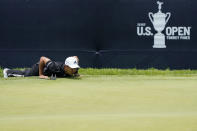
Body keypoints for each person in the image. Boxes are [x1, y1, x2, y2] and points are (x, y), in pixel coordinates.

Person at [3, 56, 80, 79]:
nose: (74, 70)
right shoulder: (54, 67)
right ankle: (7, 72)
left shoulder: (70, 69)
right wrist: (41, 74)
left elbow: (76, 57)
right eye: (72, 68)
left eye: (75, 68)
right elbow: (42, 58)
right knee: (25, 74)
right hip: (40, 67)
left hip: (47, 70)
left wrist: (76, 72)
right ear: (66, 67)